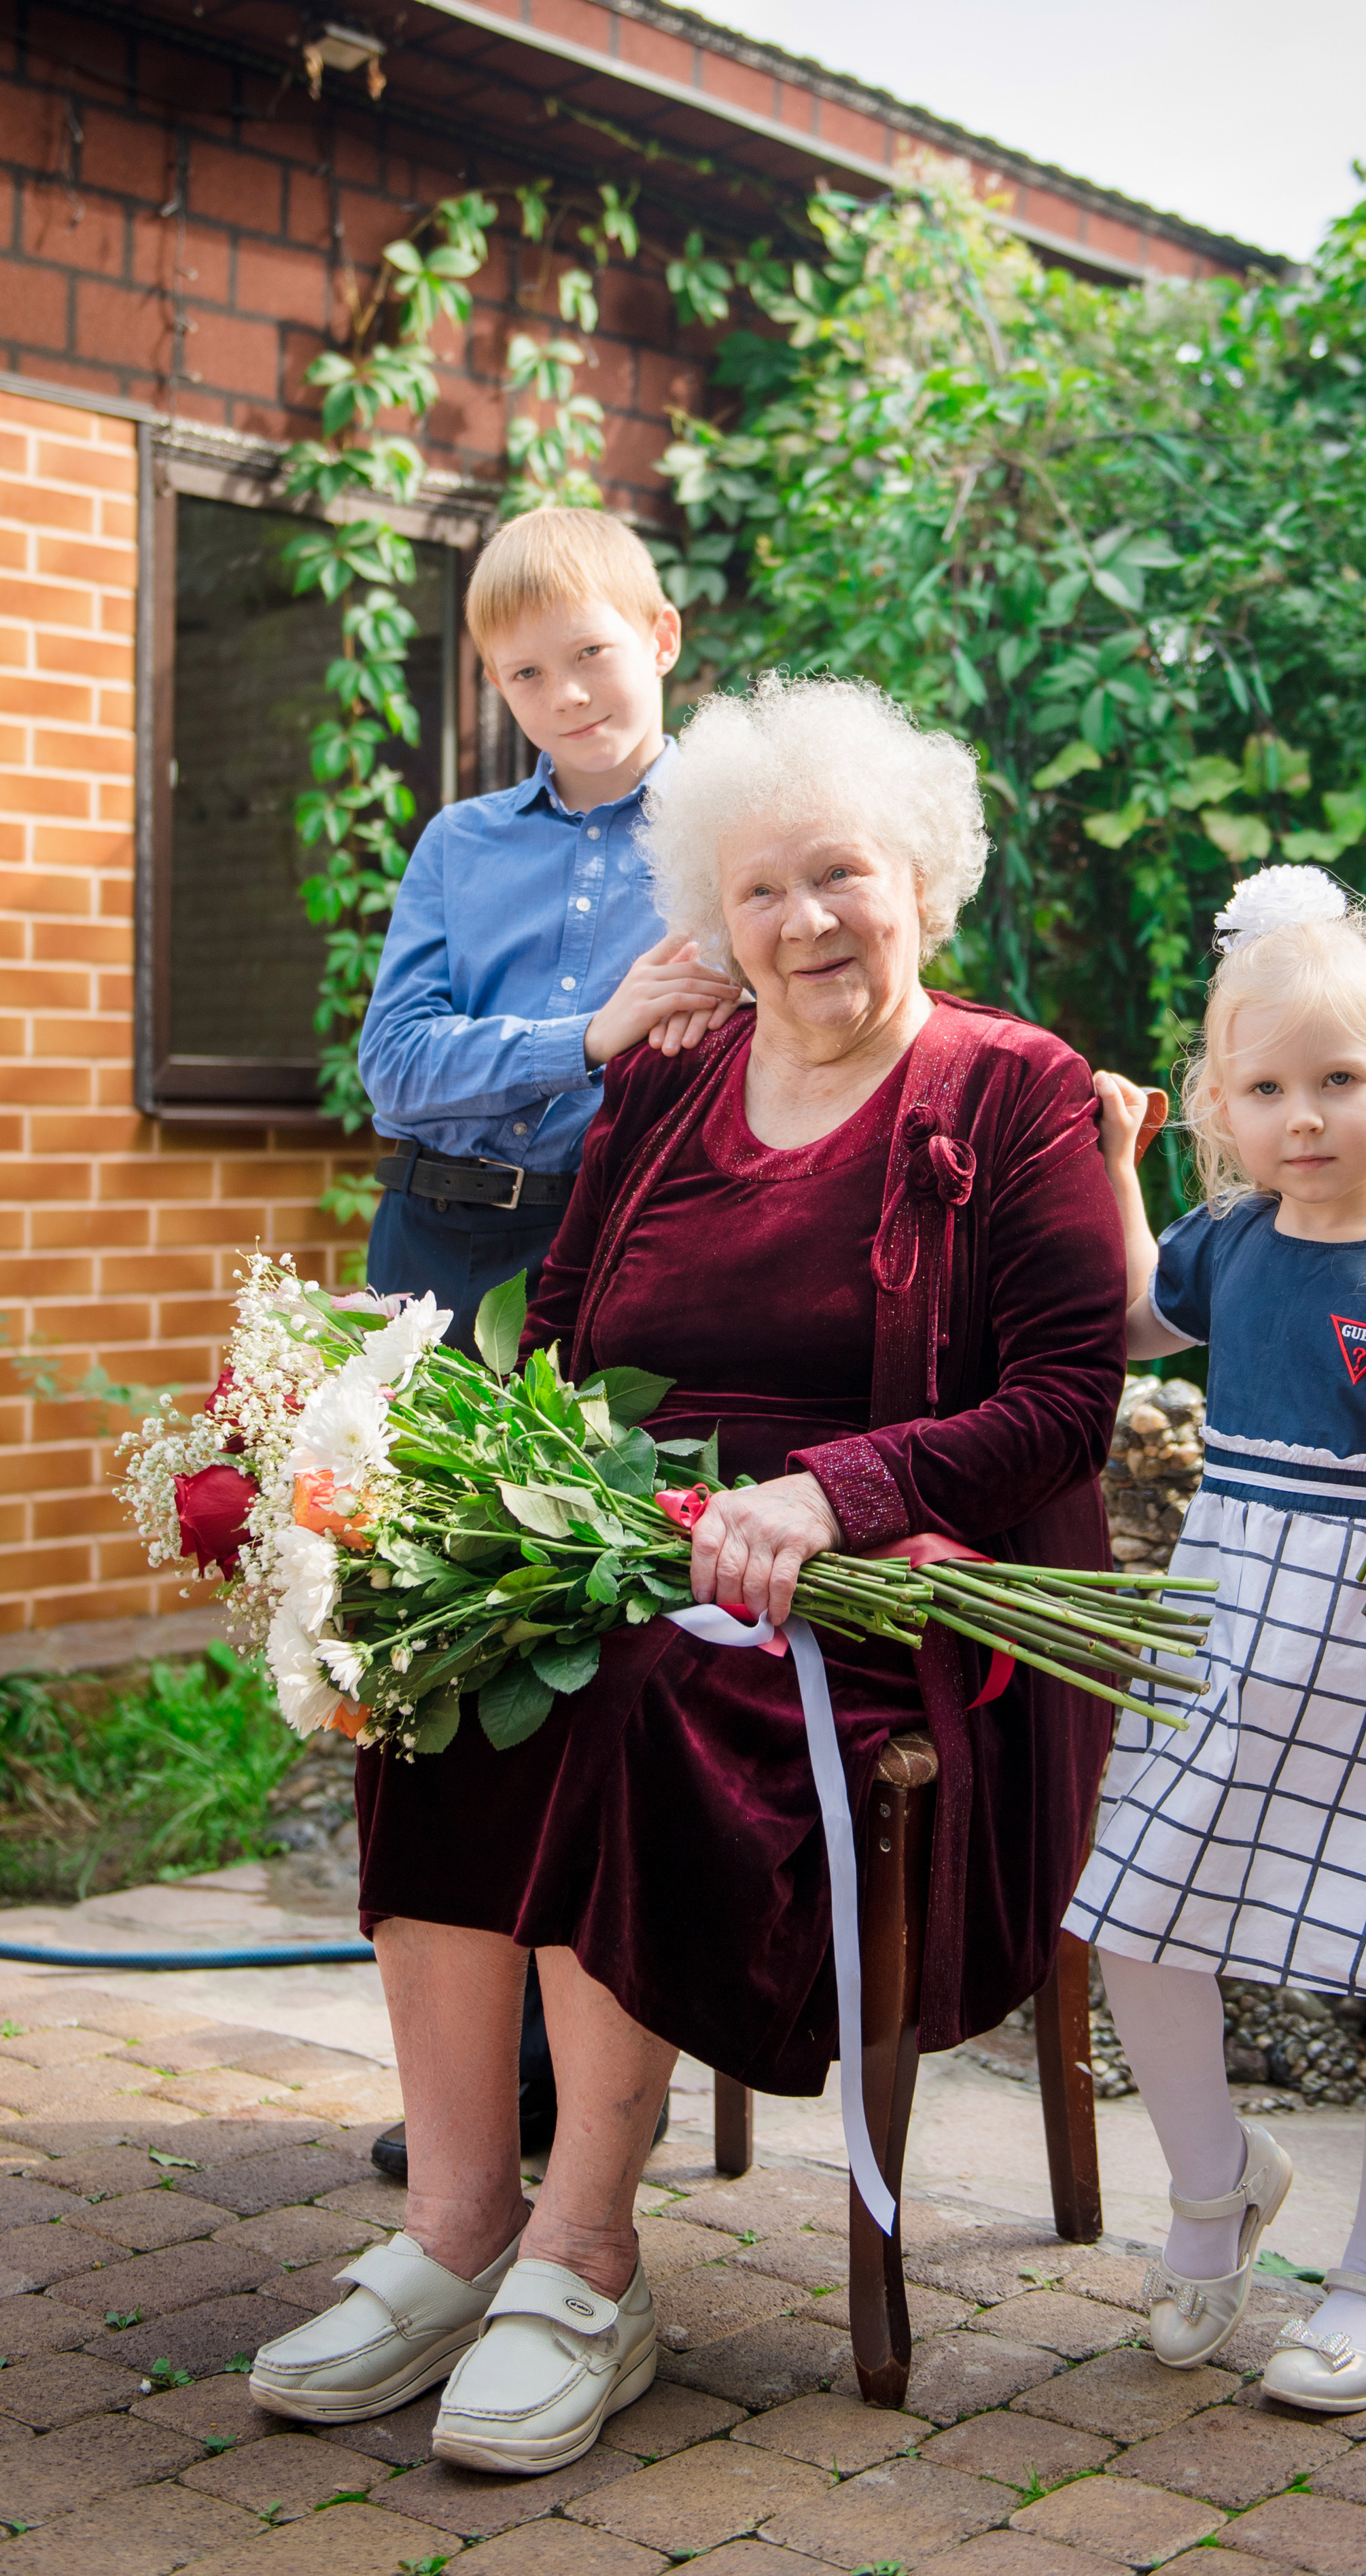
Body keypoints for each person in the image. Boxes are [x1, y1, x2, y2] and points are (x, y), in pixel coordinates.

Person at [249, 674, 1128, 2473]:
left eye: (841, 874)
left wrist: (834, 1492)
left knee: (626, 1685)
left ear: (921, 882)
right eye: (758, 889)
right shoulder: (666, 1084)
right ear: (712, 915)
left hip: (881, 1600)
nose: (802, 920)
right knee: (433, 1649)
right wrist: (481, 1497)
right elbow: (562, 1333)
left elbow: (1065, 1399)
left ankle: (588, 2258)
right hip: (634, 1531)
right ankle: (461, 2223)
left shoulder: (1009, 1086)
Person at [1068, 865, 1366, 2418]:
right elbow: (1131, 1315)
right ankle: (1213, 2190)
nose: (1304, 1118)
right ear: (1222, 1105)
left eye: (1337, 1081)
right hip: (1226, 1628)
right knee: (1136, 1917)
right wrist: (1112, 1170)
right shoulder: (1229, 1242)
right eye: (1264, 1089)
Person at [356, 505, 735, 2178]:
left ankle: (571, 2083)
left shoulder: (728, 834)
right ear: (496, 688)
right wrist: (587, 1032)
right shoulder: (462, 850)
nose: (568, 691)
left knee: (573, 1637)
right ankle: (468, 2083)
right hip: (441, 1239)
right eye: (527, 671)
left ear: (659, 635)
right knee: (428, 1635)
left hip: (616, 1260)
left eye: (592, 650)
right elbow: (397, 1067)